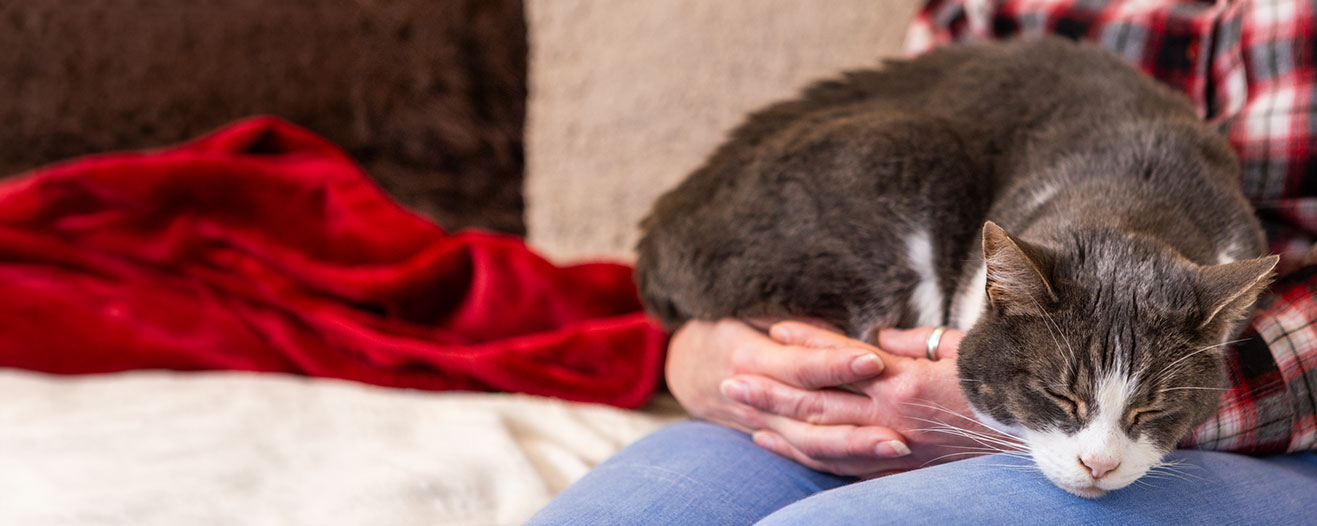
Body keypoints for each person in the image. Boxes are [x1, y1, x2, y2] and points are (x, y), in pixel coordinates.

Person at [529, 0, 1317, 523]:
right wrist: (700, 352)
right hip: (973, 317)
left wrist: (973, 407)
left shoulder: (1207, 294)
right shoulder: (1016, 237)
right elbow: (933, 121)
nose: (1098, 460)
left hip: (1275, 430)